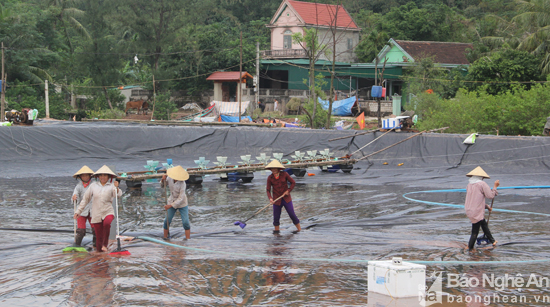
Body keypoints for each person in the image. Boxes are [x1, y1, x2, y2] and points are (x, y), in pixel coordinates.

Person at [74, 165, 122, 252]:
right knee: (98, 237)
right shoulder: (93, 186)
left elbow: (117, 195)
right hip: (96, 213)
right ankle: (100, 253)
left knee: (107, 223)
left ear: (108, 177)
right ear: (98, 177)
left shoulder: (111, 186)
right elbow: (85, 199)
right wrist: (78, 211)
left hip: (108, 211)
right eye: (101, 175)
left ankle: (105, 245)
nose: (103, 177)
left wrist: (117, 188)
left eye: (105, 175)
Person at [464, 166, 499, 251]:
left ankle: (493, 241)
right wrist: (495, 187)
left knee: (483, 224)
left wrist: (487, 207)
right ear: (481, 177)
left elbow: (476, 200)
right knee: (475, 231)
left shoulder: (469, 185)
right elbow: (490, 196)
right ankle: (470, 248)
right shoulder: (482, 184)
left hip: (469, 209)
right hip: (476, 211)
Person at [265, 160, 301, 233]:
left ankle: (299, 230)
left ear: (278, 168)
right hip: (276, 200)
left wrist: (288, 190)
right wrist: (271, 199)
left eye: (275, 168)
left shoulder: (285, 174)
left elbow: (293, 182)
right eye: (272, 168)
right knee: (276, 217)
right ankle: (276, 233)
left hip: (286, 199)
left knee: (292, 214)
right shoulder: (270, 178)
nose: (273, 170)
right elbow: (268, 190)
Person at [160, 165, 191, 240]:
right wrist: (162, 180)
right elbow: (162, 186)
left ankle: (188, 239)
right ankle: (165, 237)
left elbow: (181, 198)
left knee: (185, 222)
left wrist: (170, 206)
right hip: (172, 200)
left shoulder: (182, 183)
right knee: (167, 221)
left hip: (182, 203)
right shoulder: (169, 178)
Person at [71, 165, 96, 248]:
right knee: (81, 230)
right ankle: (77, 245)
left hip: (93, 210)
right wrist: (74, 198)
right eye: (83, 175)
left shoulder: (94, 185)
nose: (85, 177)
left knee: (95, 229)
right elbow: (75, 195)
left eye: (86, 175)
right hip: (81, 211)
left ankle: (96, 245)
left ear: (90, 176)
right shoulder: (78, 186)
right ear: (80, 177)